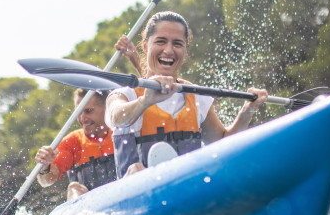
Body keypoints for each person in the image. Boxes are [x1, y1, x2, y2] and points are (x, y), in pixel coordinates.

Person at [106, 11, 268, 178]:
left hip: (187, 187)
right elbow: (116, 117)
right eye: (161, 41)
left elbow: (222, 142)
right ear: (146, 46)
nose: (168, 50)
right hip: (139, 190)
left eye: (177, 44)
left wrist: (247, 111)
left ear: (185, 51)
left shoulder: (196, 96)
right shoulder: (124, 94)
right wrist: (144, 102)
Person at [33, 39, 142, 201]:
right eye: (79, 112)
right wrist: (44, 166)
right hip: (90, 207)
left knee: (136, 168)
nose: (83, 118)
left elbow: (154, 93)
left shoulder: (123, 132)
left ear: (106, 108)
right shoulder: (73, 142)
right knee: (73, 187)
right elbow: (46, 180)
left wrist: (135, 58)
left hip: (125, 197)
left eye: (89, 111)